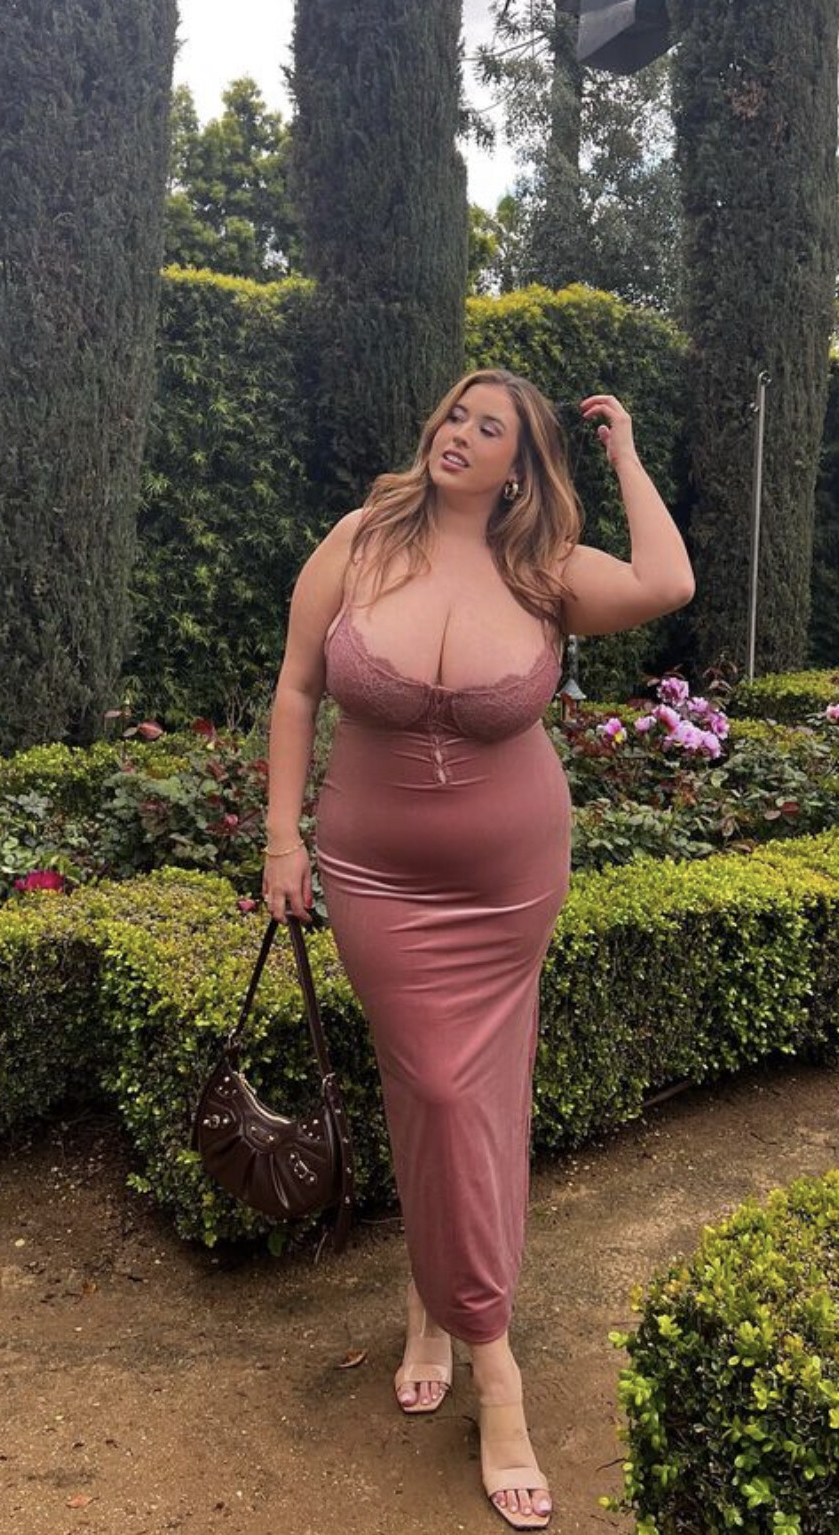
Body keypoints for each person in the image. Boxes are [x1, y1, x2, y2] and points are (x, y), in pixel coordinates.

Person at [262, 368, 694, 1530]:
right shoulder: (360, 540)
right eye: (454, 413)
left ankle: (444, 1311)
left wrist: (624, 455)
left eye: (488, 426)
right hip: (375, 876)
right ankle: (491, 1352)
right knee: (438, 1086)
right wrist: (280, 838)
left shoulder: (542, 569)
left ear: (520, 466)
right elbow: (297, 690)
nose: (458, 433)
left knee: (467, 1093)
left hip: (508, 886)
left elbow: (667, 581)